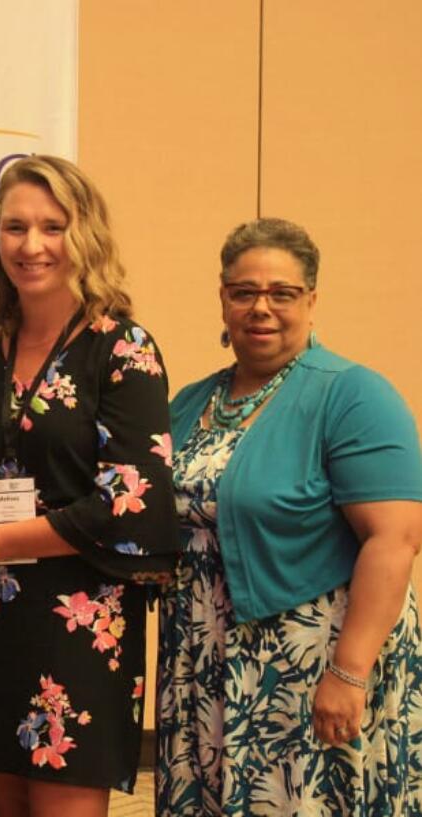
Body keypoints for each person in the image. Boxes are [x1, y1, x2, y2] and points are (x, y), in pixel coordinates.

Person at [0, 155, 178, 815]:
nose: (32, 245)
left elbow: (131, 502)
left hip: (75, 625)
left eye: (53, 227)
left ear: (87, 237)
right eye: (15, 226)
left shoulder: (123, 349)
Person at [156, 217, 422, 815]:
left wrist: (349, 674)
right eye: (243, 292)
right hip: (204, 657)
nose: (261, 308)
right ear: (223, 299)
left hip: (309, 662)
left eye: (282, 293)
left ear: (312, 300)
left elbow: (395, 538)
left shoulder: (352, 395)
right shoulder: (190, 401)